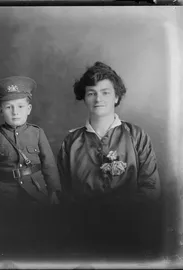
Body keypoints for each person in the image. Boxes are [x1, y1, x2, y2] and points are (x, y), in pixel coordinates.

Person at [57, 62, 161, 256]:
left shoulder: (136, 136)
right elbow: (62, 191)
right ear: (84, 98)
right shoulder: (71, 141)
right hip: (82, 236)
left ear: (117, 97)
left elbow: (151, 189)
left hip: (130, 233)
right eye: (91, 93)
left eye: (105, 92)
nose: (98, 99)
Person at [0, 76, 62, 254]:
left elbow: (49, 165)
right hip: (5, 194)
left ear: (29, 109)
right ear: (1, 110)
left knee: (38, 235)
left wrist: (54, 191)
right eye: (9, 107)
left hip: (36, 191)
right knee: (9, 238)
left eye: (20, 106)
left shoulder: (37, 133)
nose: (15, 112)